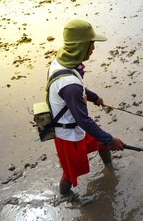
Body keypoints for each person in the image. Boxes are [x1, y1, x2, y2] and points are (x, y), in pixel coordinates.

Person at [48, 19, 125, 195]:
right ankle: (66, 196)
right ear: (81, 46)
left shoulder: (61, 62)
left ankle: (110, 169)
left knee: (102, 142)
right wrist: (111, 139)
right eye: (91, 44)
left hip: (75, 123)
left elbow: (76, 86)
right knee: (69, 173)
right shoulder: (70, 85)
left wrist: (94, 97)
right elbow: (83, 119)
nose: (93, 48)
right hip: (68, 135)